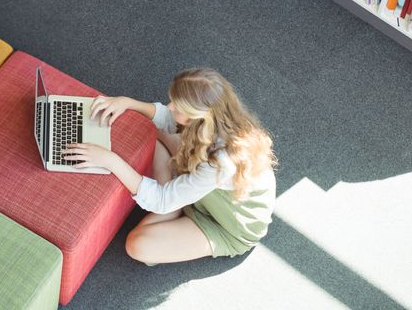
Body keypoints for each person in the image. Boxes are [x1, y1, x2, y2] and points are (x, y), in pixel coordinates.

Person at [63, 68, 277, 265]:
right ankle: (179, 200)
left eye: (178, 106)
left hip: (226, 225)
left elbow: (161, 200)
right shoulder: (218, 119)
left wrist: (109, 159)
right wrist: (128, 103)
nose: (169, 106)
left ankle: (178, 203)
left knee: (137, 244)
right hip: (201, 181)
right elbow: (167, 118)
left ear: (199, 117)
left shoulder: (221, 162)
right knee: (149, 128)